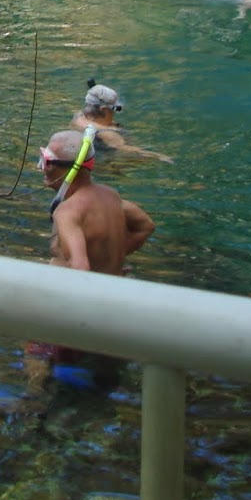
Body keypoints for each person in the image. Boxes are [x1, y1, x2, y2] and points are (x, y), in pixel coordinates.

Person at [25, 126, 157, 386]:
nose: (42, 168)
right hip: (112, 307)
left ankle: (31, 402)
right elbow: (145, 225)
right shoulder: (111, 196)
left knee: (38, 363)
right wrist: (114, 258)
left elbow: (80, 272)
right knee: (104, 380)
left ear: (69, 168)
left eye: (47, 161)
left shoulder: (68, 212)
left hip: (73, 314)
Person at [70, 83, 173, 163]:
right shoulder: (108, 133)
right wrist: (158, 156)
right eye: (115, 110)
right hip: (103, 161)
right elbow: (124, 148)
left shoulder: (79, 117)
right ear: (105, 110)